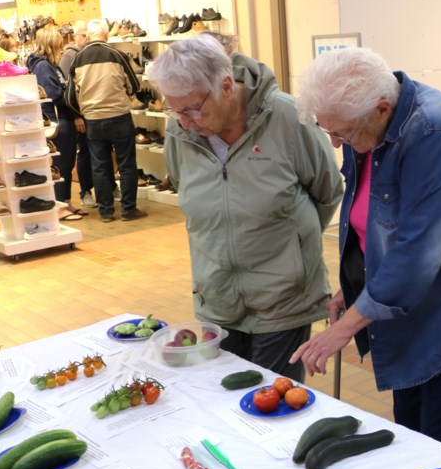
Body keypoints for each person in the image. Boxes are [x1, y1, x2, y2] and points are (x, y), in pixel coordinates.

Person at [289, 47, 441, 460]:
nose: (335, 142)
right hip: (406, 319)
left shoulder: (435, 130)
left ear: (382, 109)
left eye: (341, 134)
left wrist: (343, 330)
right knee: (414, 443)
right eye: (327, 131)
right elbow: (369, 213)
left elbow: (419, 248)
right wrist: (356, 280)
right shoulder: (362, 123)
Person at [145, 33, 343, 382]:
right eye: (174, 109)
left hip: (283, 298)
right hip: (218, 297)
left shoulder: (285, 117)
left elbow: (327, 191)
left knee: (270, 401)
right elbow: (187, 189)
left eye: (193, 108)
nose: (184, 120)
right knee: (224, 399)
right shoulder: (181, 131)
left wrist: (291, 248)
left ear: (226, 85)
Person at [64, 18, 146, 223]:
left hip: (93, 119)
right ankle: (128, 209)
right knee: (126, 163)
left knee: (99, 165)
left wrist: (81, 113)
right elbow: (134, 85)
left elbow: (69, 97)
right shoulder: (117, 55)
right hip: (119, 115)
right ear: (106, 35)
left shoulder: (78, 59)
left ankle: (106, 211)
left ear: (88, 36)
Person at [26, 26, 88, 219]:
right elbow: (53, 94)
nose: (61, 49)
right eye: (58, 45)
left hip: (62, 117)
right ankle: (60, 207)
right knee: (61, 165)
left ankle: (65, 203)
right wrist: (72, 96)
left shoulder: (50, 65)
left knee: (67, 164)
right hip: (57, 119)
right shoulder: (44, 66)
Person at [58, 20, 97, 209]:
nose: (87, 38)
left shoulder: (86, 54)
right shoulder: (69, 56)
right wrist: (77, 116)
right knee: (84, 153)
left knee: (94, 151)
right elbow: (68, 90)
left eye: (88, 35)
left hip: (91, 110)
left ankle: (103, 188)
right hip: (79, 113)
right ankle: (85, 192)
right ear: (76, 36)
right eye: (84, 35)